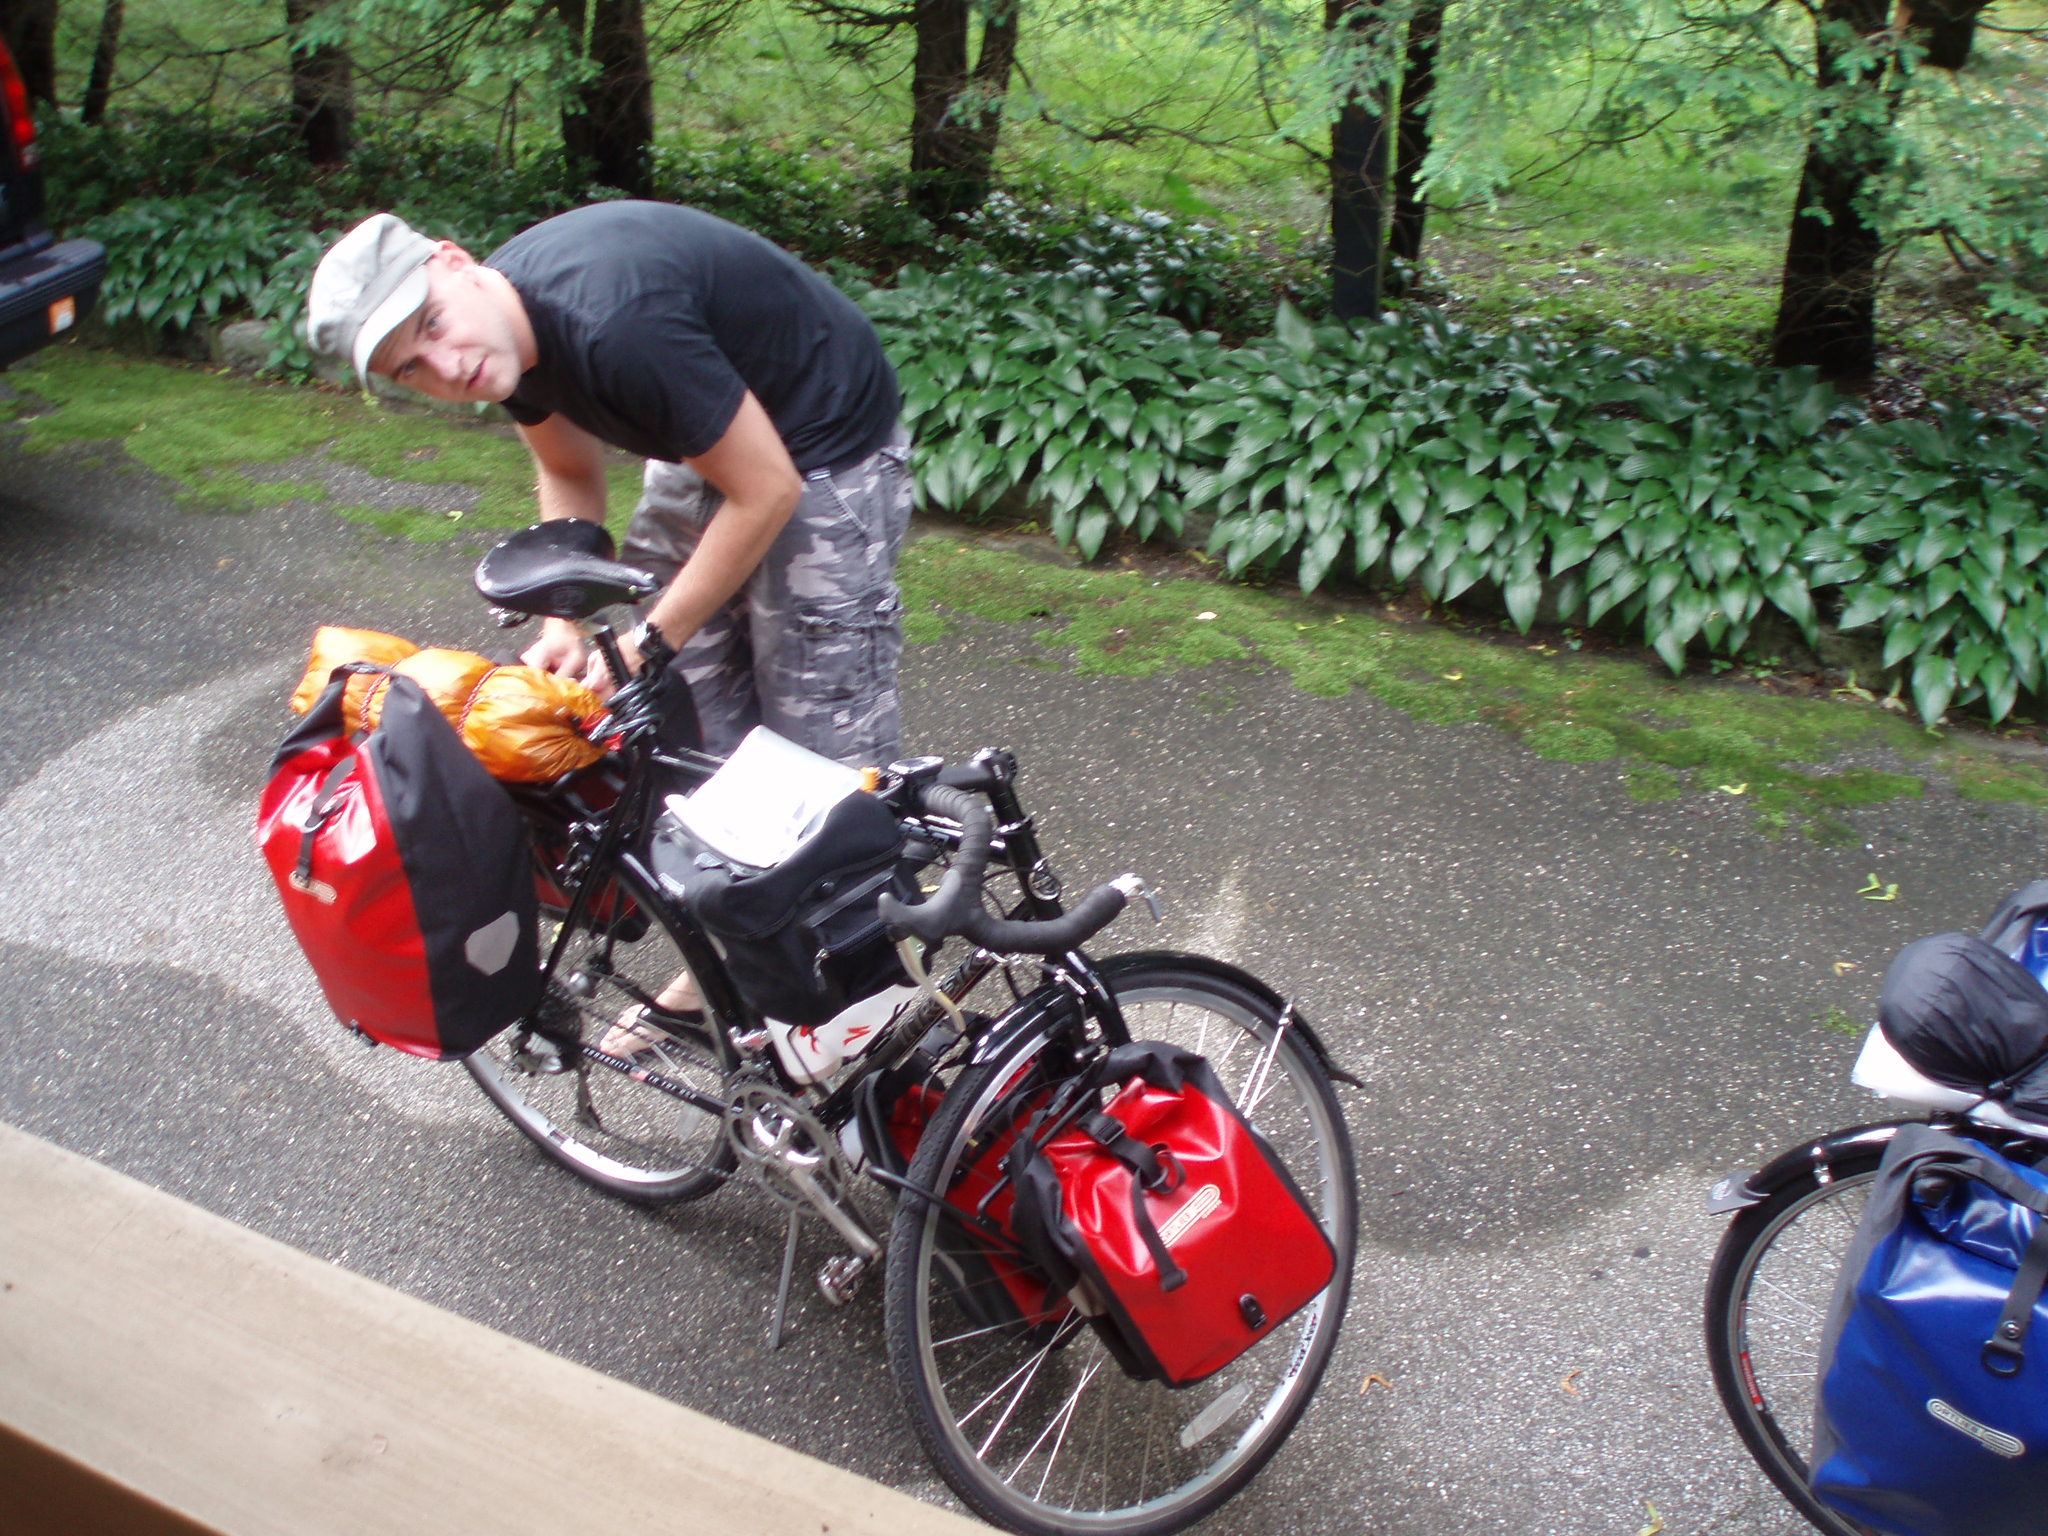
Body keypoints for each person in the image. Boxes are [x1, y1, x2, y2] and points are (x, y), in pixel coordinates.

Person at [306, 201, 913, 1047]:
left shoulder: (607, 320)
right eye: (416, 368)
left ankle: (859, 1002)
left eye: (434, 326)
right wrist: (565, 617)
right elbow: (566, 466)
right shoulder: (506, 342)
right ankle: (744, 957)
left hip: (821, 447)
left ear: (453, 260)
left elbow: (768, 489)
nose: (450, 366)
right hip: (708, 434)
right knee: (688, 723)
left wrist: (652, 634)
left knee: (819, 743)